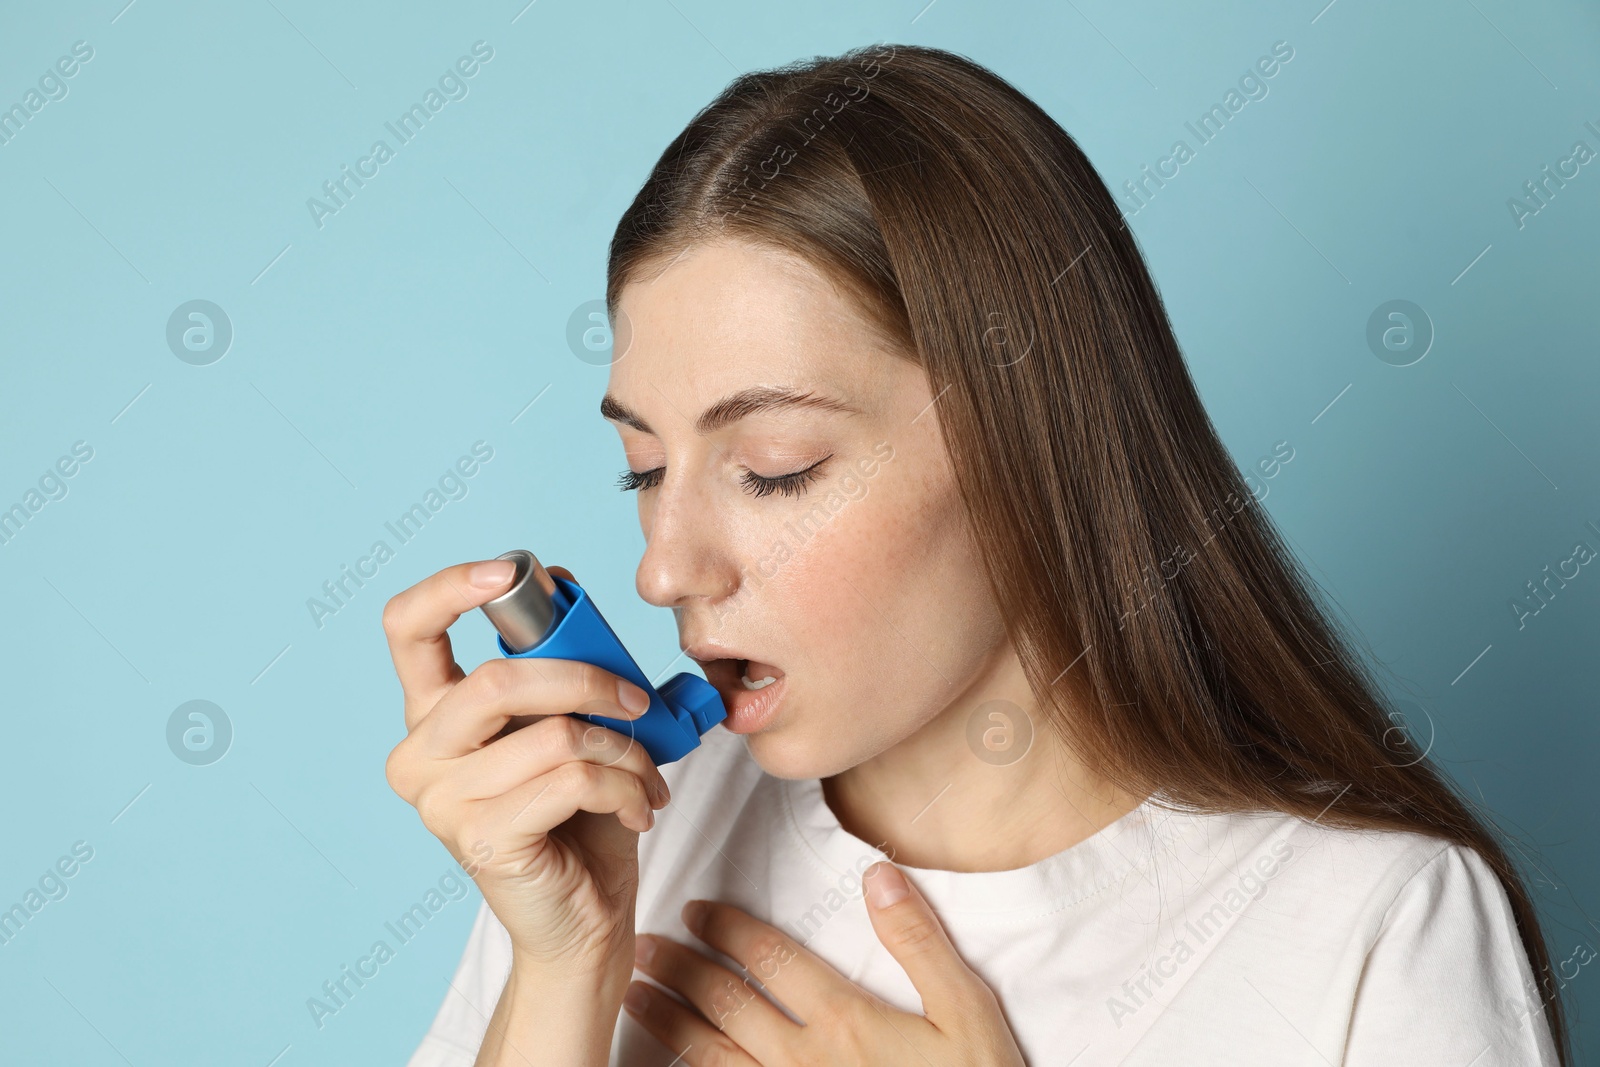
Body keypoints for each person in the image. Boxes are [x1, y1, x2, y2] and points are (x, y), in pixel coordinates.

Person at [382, 42, 1568, 1066]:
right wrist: (562, 966)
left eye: (775, 466)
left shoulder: (1371, 924)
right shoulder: (620, 833)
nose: (664, 567)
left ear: (1023, 445)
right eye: (643, 470)